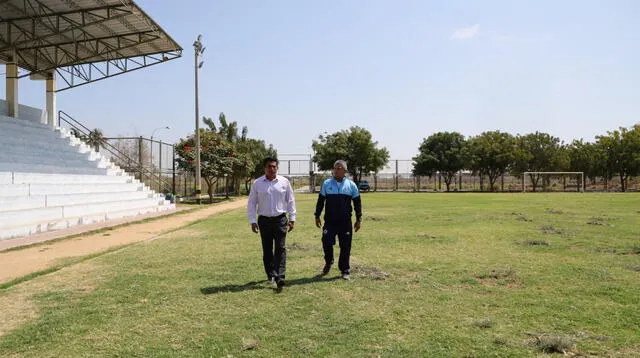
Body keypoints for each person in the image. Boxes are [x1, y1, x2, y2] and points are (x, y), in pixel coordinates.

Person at [247, 157, 296, 291]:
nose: (272, 169)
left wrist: (292, 218)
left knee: (280, 248)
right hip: (264, 221)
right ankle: (271, 274)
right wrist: (252, 220)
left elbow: (290, 200)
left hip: (280, 219)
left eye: (274, 166)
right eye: (269, 166)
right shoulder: (257, 183)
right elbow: (252, 203)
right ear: (265, 168)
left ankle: (280, 276)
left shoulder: (284, 182)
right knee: (267, 249)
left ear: (277, 168)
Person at [314, 160, 362, 280]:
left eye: (339, 168)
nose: (336, 170)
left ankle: (345, 269)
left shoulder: (351, 185)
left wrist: (358, 219)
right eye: (334, 168)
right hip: (330, 221)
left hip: (345, 222)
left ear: (345, 171)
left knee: (345, 246)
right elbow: (321, 201)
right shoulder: (326, 184)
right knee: (326, 242)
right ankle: (329, 261)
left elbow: (357, 203)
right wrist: (317, 215)